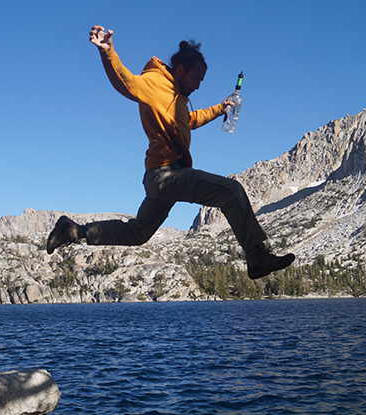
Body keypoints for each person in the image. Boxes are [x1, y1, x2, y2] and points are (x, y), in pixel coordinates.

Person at [47, 25, 294, 280]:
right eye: (196, 79)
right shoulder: (155, 83)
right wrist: (108, 52)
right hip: (167, 175)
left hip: (159, 178)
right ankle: (257, 256)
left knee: (137, 234)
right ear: (180, 70)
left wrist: (221, 108)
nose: (198, 86)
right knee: (232, 192)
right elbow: (127, 83)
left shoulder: (178, 99)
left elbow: (190, 120)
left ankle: (73, 231)